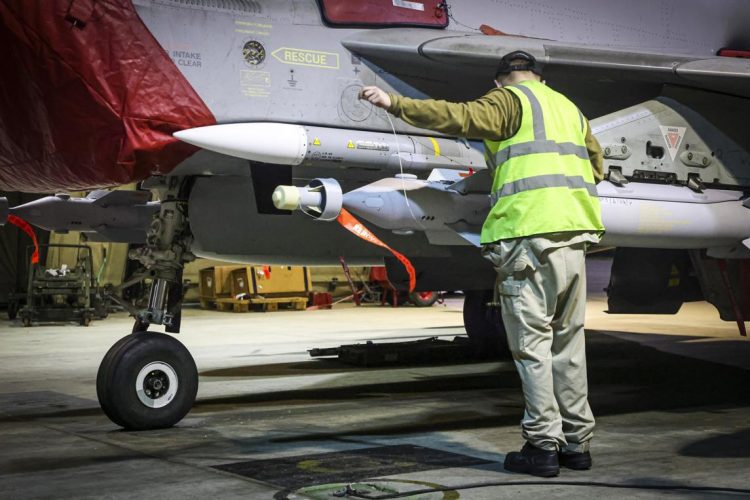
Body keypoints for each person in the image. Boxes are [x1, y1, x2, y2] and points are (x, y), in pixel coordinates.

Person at [360, 50, 605, 478]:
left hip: (529, 237)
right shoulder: (569, 109)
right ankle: (577, 444)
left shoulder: (509, 101)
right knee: (568, 346)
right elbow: (597, 166)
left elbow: (457, 117)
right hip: (575, 236)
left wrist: (394, 103)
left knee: (531, 349)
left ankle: (542, 446)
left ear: (500, 82)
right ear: (539, 77)